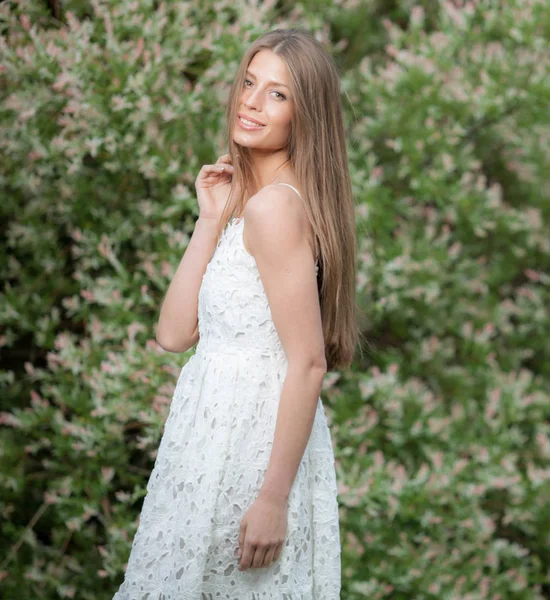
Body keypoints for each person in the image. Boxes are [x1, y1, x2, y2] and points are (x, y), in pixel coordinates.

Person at [113, 27, 360, 599]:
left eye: (277, 93)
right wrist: (210, 219)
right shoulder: (249, 206)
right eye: (250, 82)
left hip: (248, 453)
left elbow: (308, 364)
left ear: (307, 116)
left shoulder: (277, 209)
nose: (251, 101)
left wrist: (272, 498)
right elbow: (175, 334)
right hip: (205, 443)